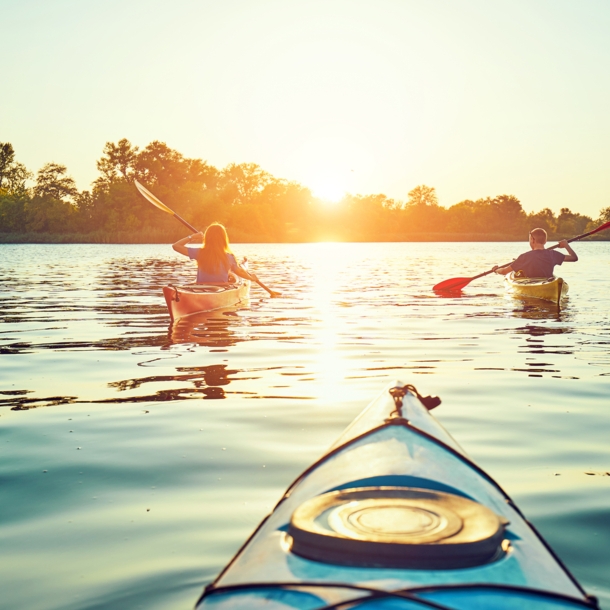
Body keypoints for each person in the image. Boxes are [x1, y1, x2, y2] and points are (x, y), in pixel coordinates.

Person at [172, 222, 279, 295]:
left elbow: (176, 246)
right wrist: (252, 278)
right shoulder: (229, 257)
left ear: (208, 238)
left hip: (202, 288)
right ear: (224, 239)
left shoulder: (199, 252)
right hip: (219, 289)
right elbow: (240, 272)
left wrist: (192, 237)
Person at [493, 228, 578, 278]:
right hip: (546, 282)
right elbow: (574, 258)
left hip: (532, 283)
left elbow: (504, 271)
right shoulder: (553, 254)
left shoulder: (524, 257)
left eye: (529, 240)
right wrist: (566, 245)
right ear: (545, 241)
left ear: (533, 240)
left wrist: (496, 270)